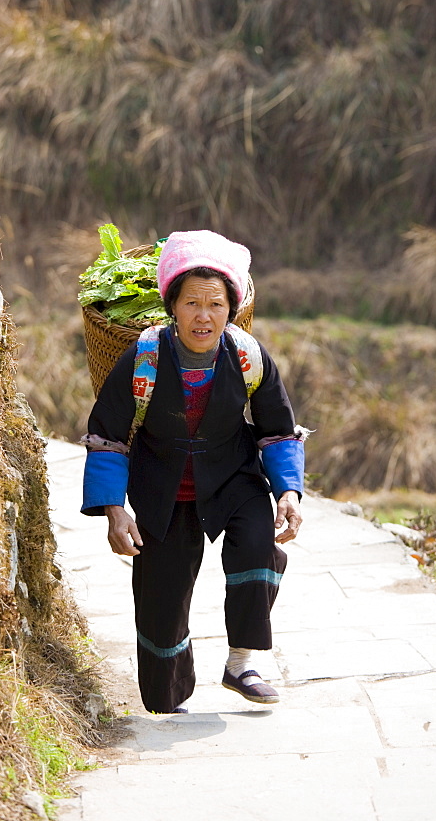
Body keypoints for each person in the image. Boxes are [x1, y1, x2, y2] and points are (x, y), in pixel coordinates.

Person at [81, 229, 305, 714]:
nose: (204, 316)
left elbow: (278, 431)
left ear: (231, 308)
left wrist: (287, 490)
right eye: (192, 304)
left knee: (257, 545)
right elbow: (107, 437)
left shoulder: (248, 356)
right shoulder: (143, 357)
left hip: (232, 477)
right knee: (161, 597)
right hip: (164, 489)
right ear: (173, 308)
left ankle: (243, 662)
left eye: (216, 305)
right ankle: (168, 694)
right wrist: (113, 510)